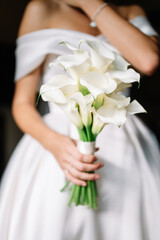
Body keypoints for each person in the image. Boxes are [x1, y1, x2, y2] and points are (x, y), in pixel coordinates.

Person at [0, 0, 160, 239]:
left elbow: (148, 61)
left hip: (125, 144)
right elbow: (21, 104)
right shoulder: (42, 9)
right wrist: (56, 145)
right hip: (58, 146)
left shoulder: (130, 12)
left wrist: (89, 3)